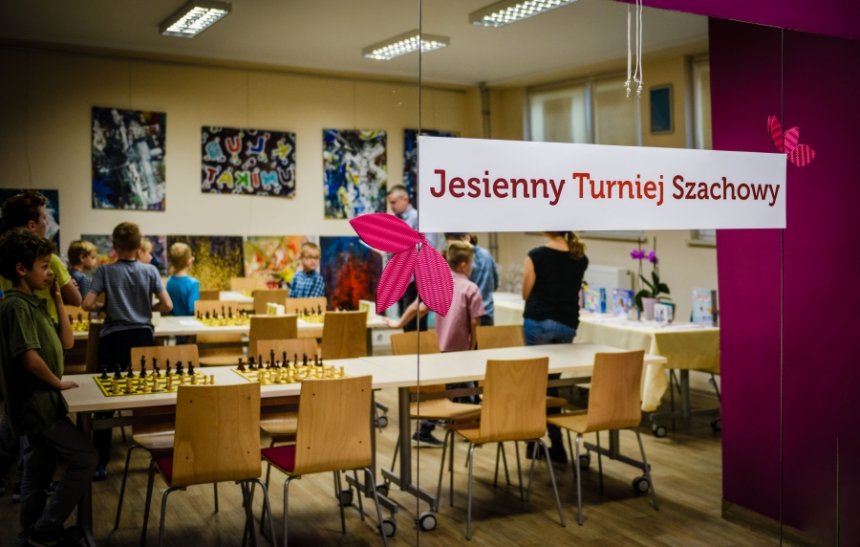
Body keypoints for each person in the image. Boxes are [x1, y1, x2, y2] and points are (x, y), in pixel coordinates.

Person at [0, 228, 98, 546]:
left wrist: (58, 298)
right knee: (86, 458)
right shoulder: (16, 306)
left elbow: (67, 342)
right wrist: (57, 382)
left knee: (37, 472)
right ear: (21, 269)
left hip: (42, 401)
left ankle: (31, 536)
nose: (49, 272)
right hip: (37, 403)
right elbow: (29, 358)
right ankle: (46, 528)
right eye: (44, 266)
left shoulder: (33, 302)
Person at [82, 222, 172, 479]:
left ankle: (101, 462)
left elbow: (86, 304)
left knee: (105, 400)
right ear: (138, 245)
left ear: (114, 245)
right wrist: (146, 308)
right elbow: (167, 305)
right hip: (143, 338)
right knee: (149, 394)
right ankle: (158, 452)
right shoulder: (150, 271)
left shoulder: (104, 271)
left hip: (113, 339)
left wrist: (105, 307)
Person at [386, 240, 485, 446]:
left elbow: (418, 308)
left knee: (456, 386)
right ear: (464, 265)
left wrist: (399, 323)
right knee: (455, 387)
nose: (473, 266)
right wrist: (473, 343)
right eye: (471, 263)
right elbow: (475, 322)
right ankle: (430, 427)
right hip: (460, 348)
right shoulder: (471, 288)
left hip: (440, 346)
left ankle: (464, 424)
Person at [522, 231, 589, 465]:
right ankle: (556, 444)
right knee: (552, 385)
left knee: (537, 384)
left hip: (538, 321)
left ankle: (534, 440)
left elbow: (526, 292)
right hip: (566, 325)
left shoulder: (536, 255)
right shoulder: (580, 257)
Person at [0, 191, 82, 322]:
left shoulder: (3, 257)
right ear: (32, 226)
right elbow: (76, 300)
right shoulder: (50, 260)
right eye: (44, 218)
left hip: (14, 324)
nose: (47, 223)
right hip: (47, 325)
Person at [445, 233, 499, 326]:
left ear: (466, 239)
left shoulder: (463, 261)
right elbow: (495, 284)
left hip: (469, 315)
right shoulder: (487, 255)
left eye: (455, 246)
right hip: (487, 313)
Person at [165, 242, 200, 316]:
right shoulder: (193, 284)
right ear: (188, 261)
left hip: (171, 321)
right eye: (190, 256)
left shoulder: (169, 282)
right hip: (188, 322)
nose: (193, 258)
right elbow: (192, 309)